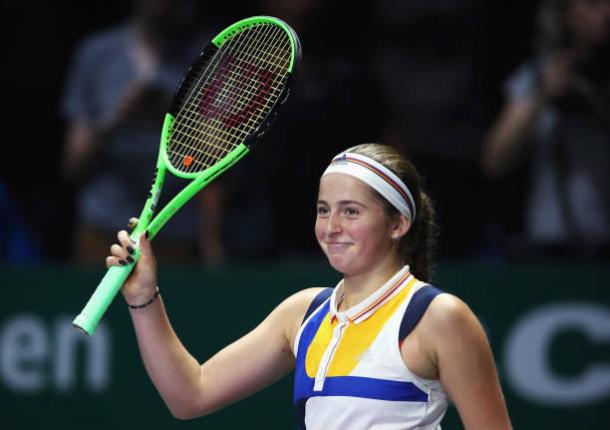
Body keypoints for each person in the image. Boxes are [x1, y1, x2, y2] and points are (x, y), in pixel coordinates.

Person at [107, 143, 512, 429]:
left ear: (397, 224)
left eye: (351, 211)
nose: (332, 227)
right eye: (324, 210)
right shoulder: (303, 313)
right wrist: (144, 297)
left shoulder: (439, 318)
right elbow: (189, 396)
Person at [61, 0, 224, 265]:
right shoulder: (96, 54)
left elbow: (219, 157)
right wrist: (117, 120)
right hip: (101, 232)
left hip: (175, 235)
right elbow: (72, 164)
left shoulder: (206, 55)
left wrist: (169, 117)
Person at [482, 0, 610, 260]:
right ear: (566, 14)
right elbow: (494, 161)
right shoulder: (539, 75)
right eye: (593, 5)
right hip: (550, 244)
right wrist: (543, 95)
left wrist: (596, 105)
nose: (607, 13)